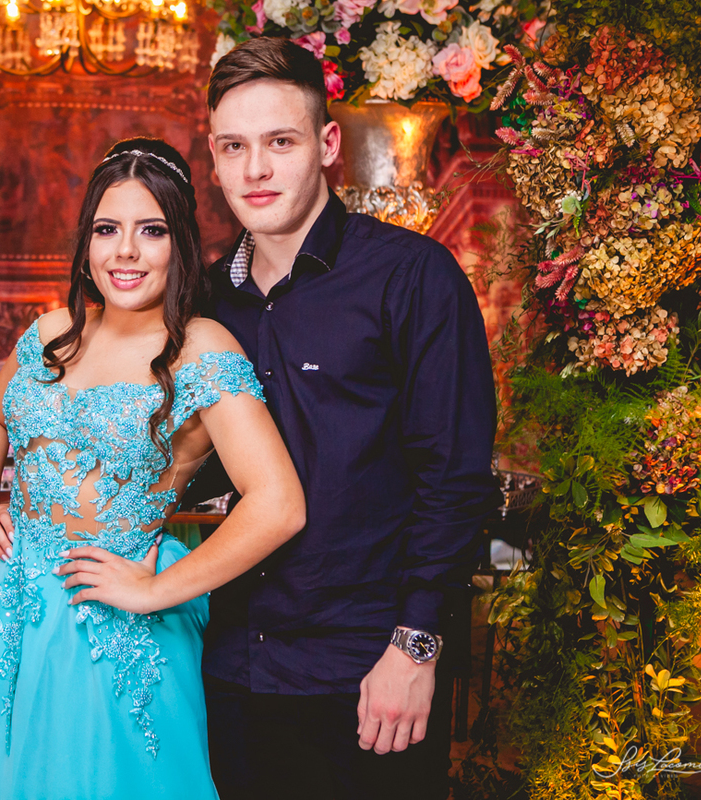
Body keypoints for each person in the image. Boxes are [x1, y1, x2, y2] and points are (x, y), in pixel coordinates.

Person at [0, 137, 306, 800]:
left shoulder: (201, 348)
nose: (125, 251)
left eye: (151, 231)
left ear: (181, 244)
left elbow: (278, 503)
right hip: (6, 602)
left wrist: (158, 589)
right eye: (107, 229)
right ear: (87, 242)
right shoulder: (52, 334)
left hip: (110, 622)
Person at [188, 38, 501, 800]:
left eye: (280, 142)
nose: (255, 170)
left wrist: (414, 649)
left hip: (366, 674)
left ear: (328, 145)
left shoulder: (413, 278)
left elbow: (454, 478)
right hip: (232, 670)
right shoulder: (205, 301)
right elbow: (187, 464)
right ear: (214, 158)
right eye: (234, 147)